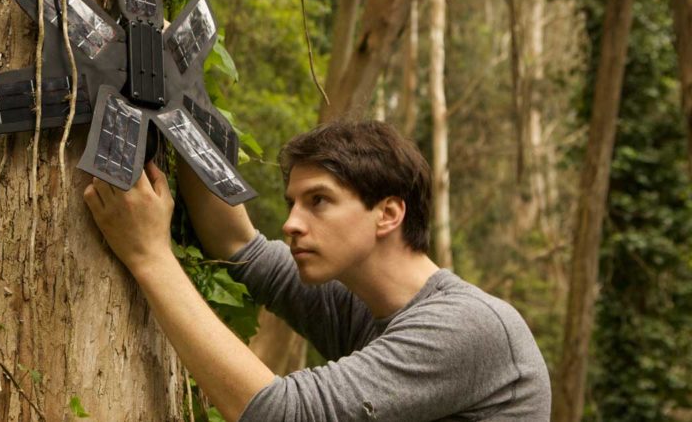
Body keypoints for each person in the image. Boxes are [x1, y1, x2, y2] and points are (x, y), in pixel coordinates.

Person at [81, 121, 551, 421]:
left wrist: (150, 256)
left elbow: (281, 414)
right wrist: (178, 107)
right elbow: (239, 248)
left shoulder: (466, 327)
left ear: (388, 214)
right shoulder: (361, 302)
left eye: (318, 201)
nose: (290, 223)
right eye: (292, 203)